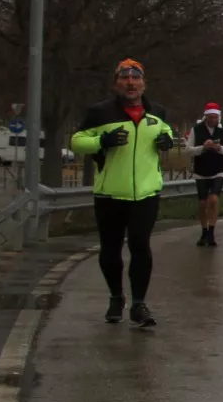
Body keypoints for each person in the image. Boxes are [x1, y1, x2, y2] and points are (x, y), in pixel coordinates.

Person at [70, 58, 177, 327]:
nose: (131, 83)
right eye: (124, 78)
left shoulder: (157, 112)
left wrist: (168, 141)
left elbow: (166, 131)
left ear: (143, 83)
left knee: (140, 245)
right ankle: (116, 296)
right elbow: (77, 141)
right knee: (111, 248)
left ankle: (139, 304)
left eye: (135, 78)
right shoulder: (100, 112)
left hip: (146, 193)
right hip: (110, 193)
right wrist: (101, 141)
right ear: (116, 84)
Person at [188, 102, 223, 246]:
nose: (213, 120)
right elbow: (189, 149)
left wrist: (220, 148)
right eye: (210, 117)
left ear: (219, 117)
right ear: (205, 116)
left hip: (219, 170)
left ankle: (211, 232)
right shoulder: (196, 129)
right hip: (201, 171)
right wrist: (202, 148)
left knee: (213, 199)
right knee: (202, 203)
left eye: (215, 118)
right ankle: (204, 230)